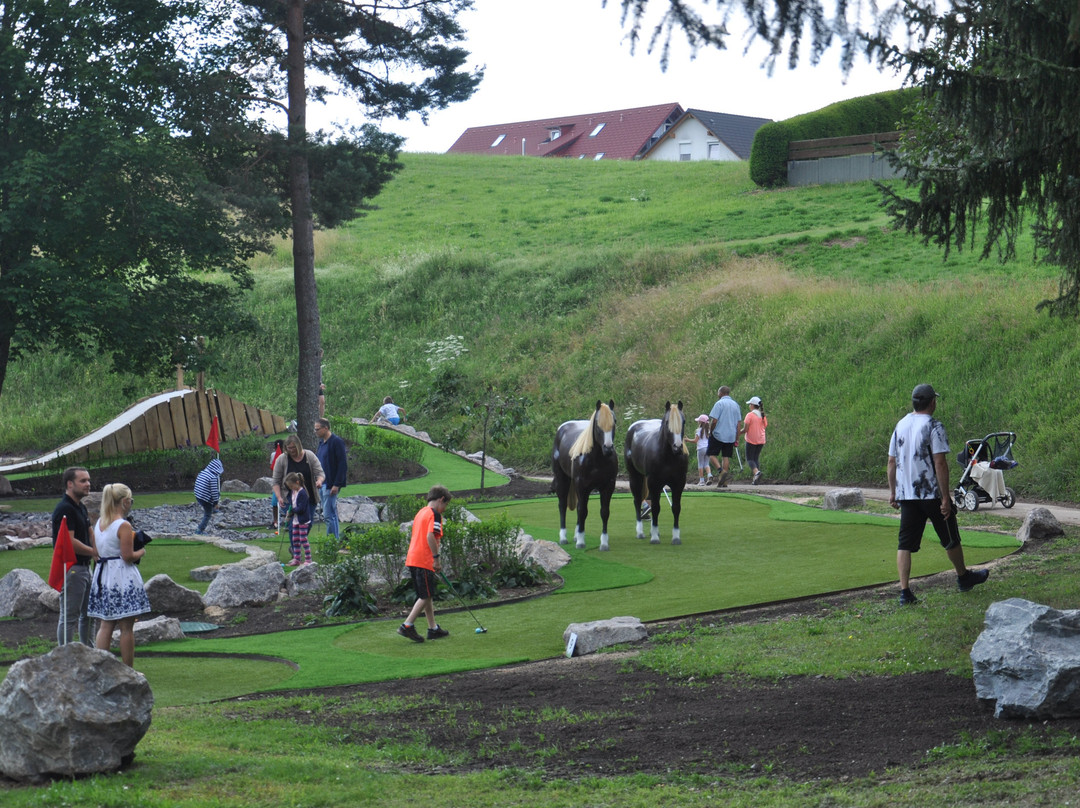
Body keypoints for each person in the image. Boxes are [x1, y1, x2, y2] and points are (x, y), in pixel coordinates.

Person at [887, 384, 990, 606]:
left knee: (904, 543)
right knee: (950, 537)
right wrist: (945, 497)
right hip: (931, 493)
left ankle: (905, 592)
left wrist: (894, 492)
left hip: (907, 495)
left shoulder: (900, 425)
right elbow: (940, 462)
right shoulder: (934, 426)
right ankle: (963, 577)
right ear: (932, 402)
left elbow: (891, 461)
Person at [88, 483, 150, 666]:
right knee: (126, 627)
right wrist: (142, 552)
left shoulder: (99, 523)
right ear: (124, 502)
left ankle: (100, 667)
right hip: (120, 576)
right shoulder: (122, 525)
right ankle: (128, 670)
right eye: (130, 500)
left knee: (105, 624)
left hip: (104, 574)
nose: (131, 503)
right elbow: (127, 556)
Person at [398, 485, 453, 643]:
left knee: (427, 594)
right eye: (445, 505)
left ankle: (433, 628)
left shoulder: (421, 512)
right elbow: (431, 536)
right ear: (441, 499)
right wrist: (436, 558)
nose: (444, 509)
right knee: (426, 595)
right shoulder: (434, 514)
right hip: (424, 559)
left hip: (413, 558)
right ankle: (407, 625)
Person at [52, 467, 96, 646]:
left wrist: (98, 549)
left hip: (85, 567)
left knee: (89, 615)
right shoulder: (65, 509)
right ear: (70, 484)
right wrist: (94, 552)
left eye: (88, 480)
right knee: (70, 617)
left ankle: (89, 654)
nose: (88, 484)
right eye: (83, 481)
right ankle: (65, 657)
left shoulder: (81, 507)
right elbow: (69, 542)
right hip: (72, 568)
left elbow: (89, 531)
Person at [271, 434, 325, 522]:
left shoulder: (309, 455)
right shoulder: (281, 459)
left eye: (294, 447)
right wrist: (279, 497)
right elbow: (276, 481)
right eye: (289, 448)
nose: (292, 450)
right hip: (289, 497)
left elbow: (320, 473)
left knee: (307, 523)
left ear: (299, 445)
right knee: (294, 523)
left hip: (309, 496)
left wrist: (319, 481)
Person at [314, 418, 348, 540]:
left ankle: (332, 542)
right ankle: (332, 541)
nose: (315, 431)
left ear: (325, 428)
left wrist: (337, 484)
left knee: (329, 515)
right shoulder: (321, 443)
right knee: (327, 514)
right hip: (322, 483)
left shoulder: (336, 442)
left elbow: (342, 464)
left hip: (331, 484)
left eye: (317, 429)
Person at [707, 386, 742, 487]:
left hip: (719, 433)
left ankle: (721, 471)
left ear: (721, 393)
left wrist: (711, 430)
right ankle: (724, 481)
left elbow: (714, 420)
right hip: (731, 435)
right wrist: (737, 438)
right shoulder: (736, 405)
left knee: (711, 454)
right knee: (725, 456)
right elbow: (739, 423)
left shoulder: (719, 404)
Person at [283, 472, 314, 566]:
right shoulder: (293, 492)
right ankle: (297, 559)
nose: (291, 488)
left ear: (297, 482)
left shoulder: (302, 493)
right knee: (295, 540)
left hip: (303, 520)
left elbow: (301, 508)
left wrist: (292, 511)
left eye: (292, 486)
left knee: (303, 539)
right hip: (295, 521)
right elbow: (293, 504)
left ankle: (308, 559)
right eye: (290, 487)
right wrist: (290, 512)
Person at [193, 456, 223, 535]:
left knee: (217, 493)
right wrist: (216, 503)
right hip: (204, 498)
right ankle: (200, 530)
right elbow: (214, 492)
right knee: (208, 514)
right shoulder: (212, 477)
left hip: (198, 495)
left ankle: (212, 508)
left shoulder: (203, 472)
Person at [743, 396, 768, 485]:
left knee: (750, 459)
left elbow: (745, 429)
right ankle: (756, 478)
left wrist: (738, 433)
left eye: (750, 404)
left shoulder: (749, 415)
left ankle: (756, 473)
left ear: (753, 405)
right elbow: (765, 426)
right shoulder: (762, 416)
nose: (749, 406)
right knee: (756, 458)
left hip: (751, 439)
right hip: (761, 439)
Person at [684, 414, 713, 486]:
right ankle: (709, 475)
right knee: (706, 463)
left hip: (701, 449)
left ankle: (702, 480)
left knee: (700, 464)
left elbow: (695, 441)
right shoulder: (708, 430)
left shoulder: (698, 430)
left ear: (700, 422)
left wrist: (687, 440)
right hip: (708, 448)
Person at [269, 439, 284, 529]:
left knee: (280, 502)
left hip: (283, 481)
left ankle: (278, 521)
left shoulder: (286, 455)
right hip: (278, 481)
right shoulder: (274, 455)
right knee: (275, 502)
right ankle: (276, 522)